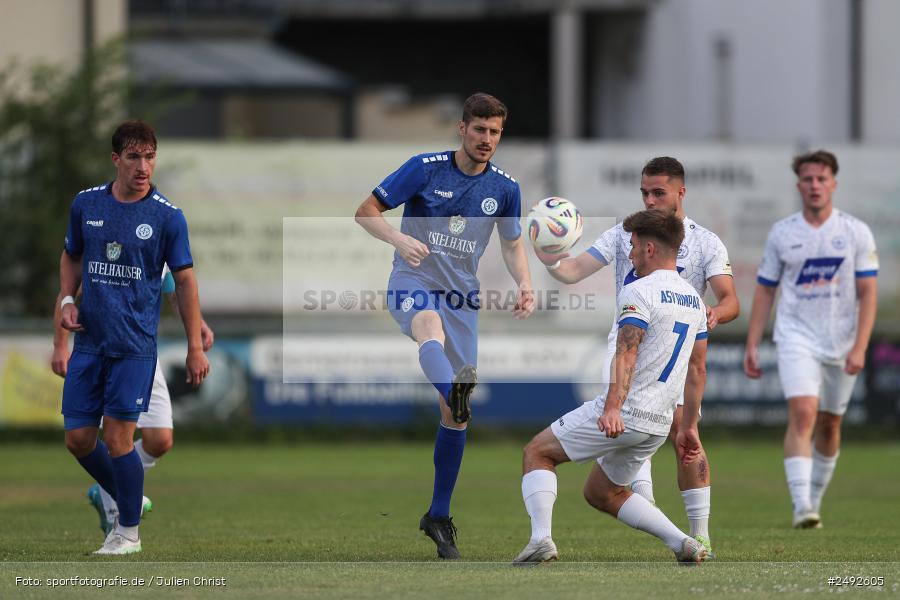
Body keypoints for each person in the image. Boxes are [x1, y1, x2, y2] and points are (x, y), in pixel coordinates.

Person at [355, 92, 534, 559]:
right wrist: (399, 238)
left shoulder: (506, 188)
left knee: (455, 417)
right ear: (462, 128)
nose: (487, 139)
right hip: (411, 279)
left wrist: (526, 284)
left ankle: (437, 515)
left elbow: (513, 245)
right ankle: (455, 384)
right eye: (480, 130)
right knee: (427, 323)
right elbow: (366, 211)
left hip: (464, 300)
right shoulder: (425, 166)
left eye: (495, 132)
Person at [529, 157, 738, 558]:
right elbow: (572, 271)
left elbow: (731, 301)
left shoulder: (706, 241)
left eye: (658, 192)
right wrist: (551, 257)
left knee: (683, 436)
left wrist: (710, 315)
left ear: (681, 192)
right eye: (644, 192)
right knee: (639, 436)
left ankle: (699, 534)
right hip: (632, 349)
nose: (650, 199)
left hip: (671, 354)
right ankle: (664, 525)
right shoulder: (625, 234)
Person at [514, 209, 709, 564]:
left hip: (627, 413)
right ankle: (684, 542)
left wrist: (613, 407)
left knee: (537, 453)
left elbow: (627, 352)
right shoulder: (694, 299)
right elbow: (698, 369)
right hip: (659, 422)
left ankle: (541, 539)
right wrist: (690, 426)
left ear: (650, 249)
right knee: (601, 492)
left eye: (633, 246)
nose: (630, 254)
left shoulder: (638, 290)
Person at [58, 120, 209, 555]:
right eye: (134, 157)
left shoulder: (167, 216)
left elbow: (184, 281)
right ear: (116, 160)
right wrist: (67, 299)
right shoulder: (86, 204)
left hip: (134, 347)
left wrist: (195, 346)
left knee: (120, 439)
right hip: (89, 343)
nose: (143, 166)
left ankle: (127, 533)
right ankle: (130, 497)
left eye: (149, 157)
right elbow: (70, 256)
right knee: (78, 440)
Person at [743, 150, 877, 529]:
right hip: (796, 334)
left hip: (842, 340)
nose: (815, 185)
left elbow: (868, 293)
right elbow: (766, 290)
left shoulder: (855, 231)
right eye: (807, 179)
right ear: (798, 184)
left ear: (834, 183)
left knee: (831, 423)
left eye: (821, 178)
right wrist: (753, 341)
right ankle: (802, 506)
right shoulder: (783, 233)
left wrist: (860, 346)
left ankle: (814, 498)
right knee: (803, 413)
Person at [52, 266, 215, 534]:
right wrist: (60, 345)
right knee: (110, 437)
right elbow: (69, 293)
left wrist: (198, 325)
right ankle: (122, 513)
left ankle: (109, 493)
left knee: (160, 439)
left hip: (143, 353)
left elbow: (176, 291)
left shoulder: (161, 235)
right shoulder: (112, 235)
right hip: (104, 353)